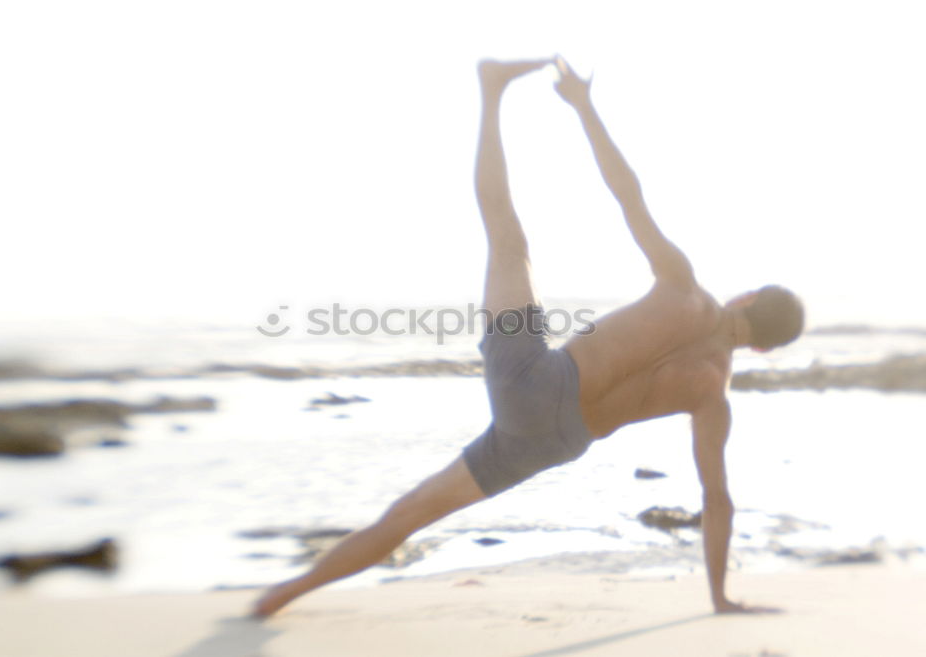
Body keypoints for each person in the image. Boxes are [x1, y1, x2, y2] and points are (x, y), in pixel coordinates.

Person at [252, 57, 803, 618]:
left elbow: (626, 194)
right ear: (763, 348)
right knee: (411, 515)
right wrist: (719, 598)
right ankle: (284, 596)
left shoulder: (683, 284)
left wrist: (584, 106)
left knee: (507, 237)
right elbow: (717, 500)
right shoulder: (713, 398)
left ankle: (491, 90)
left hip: (533, 378)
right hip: (548, 444)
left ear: (746, 299)